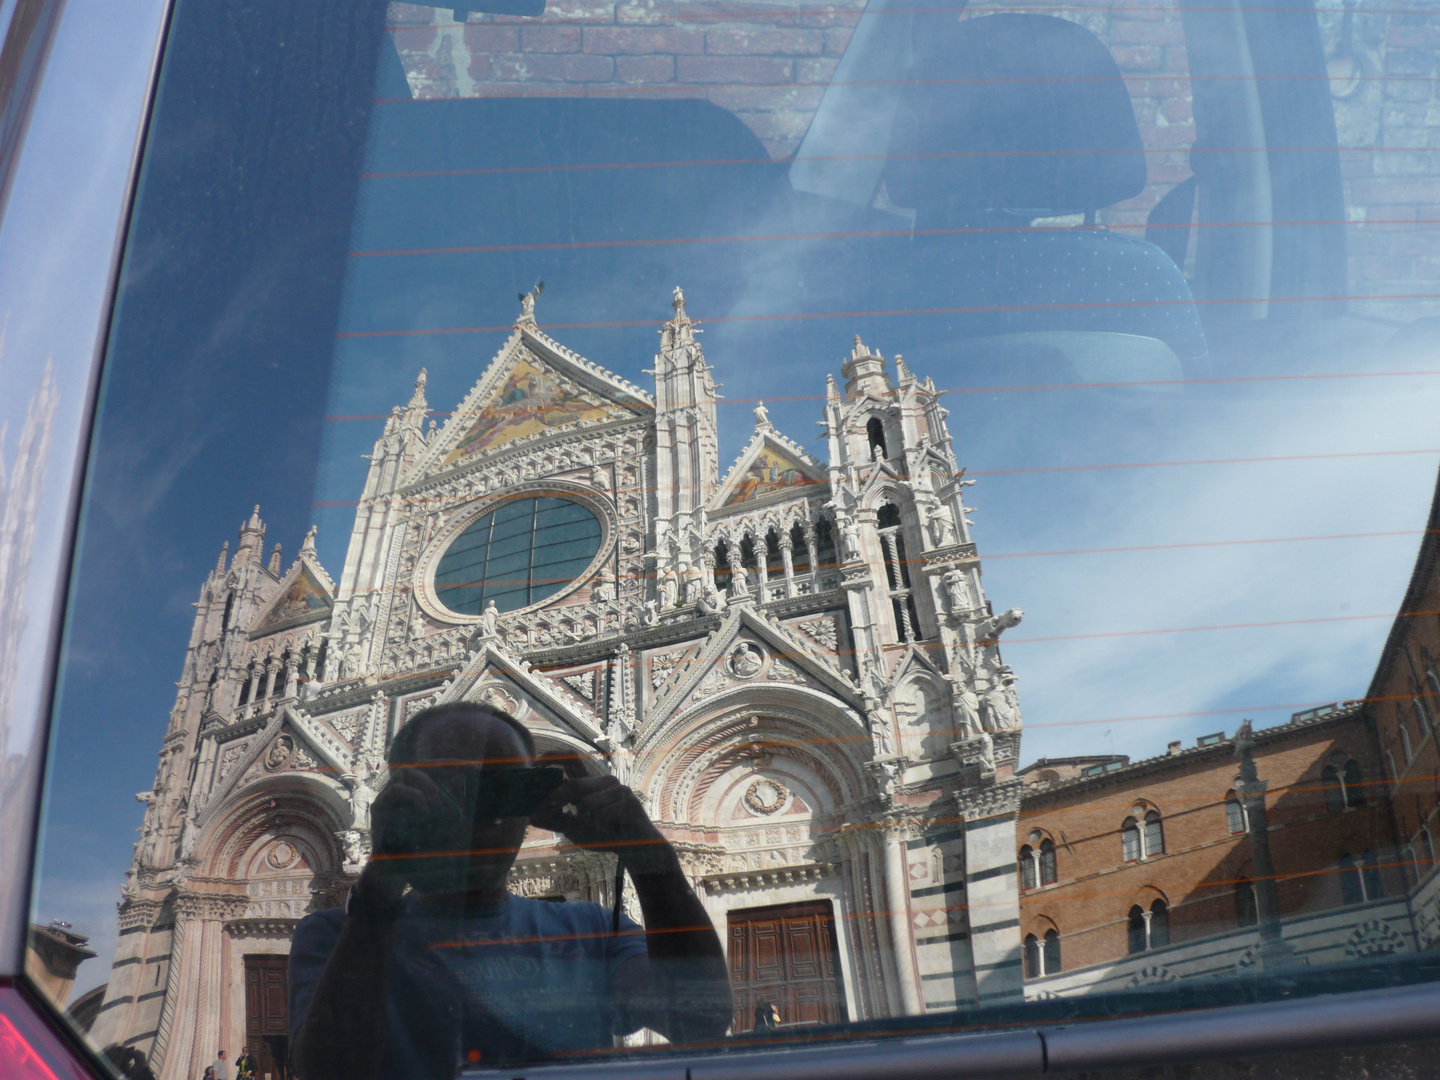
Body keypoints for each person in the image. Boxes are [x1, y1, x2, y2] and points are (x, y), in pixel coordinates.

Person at [289, 701, 733, 1080]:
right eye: (452, 788)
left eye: (502, 789)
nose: (482, 816)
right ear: (401, 799)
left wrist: (649, 854)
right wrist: (382, 881)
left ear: (532, 802)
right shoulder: (333, 937)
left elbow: (700, 1020)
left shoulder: (592, 932)